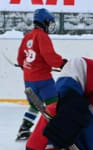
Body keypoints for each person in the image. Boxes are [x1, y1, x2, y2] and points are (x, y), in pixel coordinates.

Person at [16, 8, 66, 141]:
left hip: (28, 79)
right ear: (44, 22)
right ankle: (56, 131)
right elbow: (49, 55)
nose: (50, 25)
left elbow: (21, 58)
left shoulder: (28, 36)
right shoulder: (42, 36)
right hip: (43, 79)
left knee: (34, 105)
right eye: (49, 22)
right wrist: (61, 63)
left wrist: (25, 66)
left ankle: (24, 129)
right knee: (53, 103)